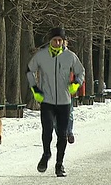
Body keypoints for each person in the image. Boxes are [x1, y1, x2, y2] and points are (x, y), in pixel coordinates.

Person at [26, 27, 85, 177]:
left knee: (62, 134)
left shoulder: (70, 56)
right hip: (47, 100)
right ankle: (46, 155)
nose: (57, 43)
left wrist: (76, 83)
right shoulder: (41, 56)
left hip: (65, 102)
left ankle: (59, 165)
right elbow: (29, 70)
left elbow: (81, 71)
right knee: (47, 130)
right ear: (50, 41)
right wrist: (35, 89)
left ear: (64, 41)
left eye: (60, 40)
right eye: (54, 40)